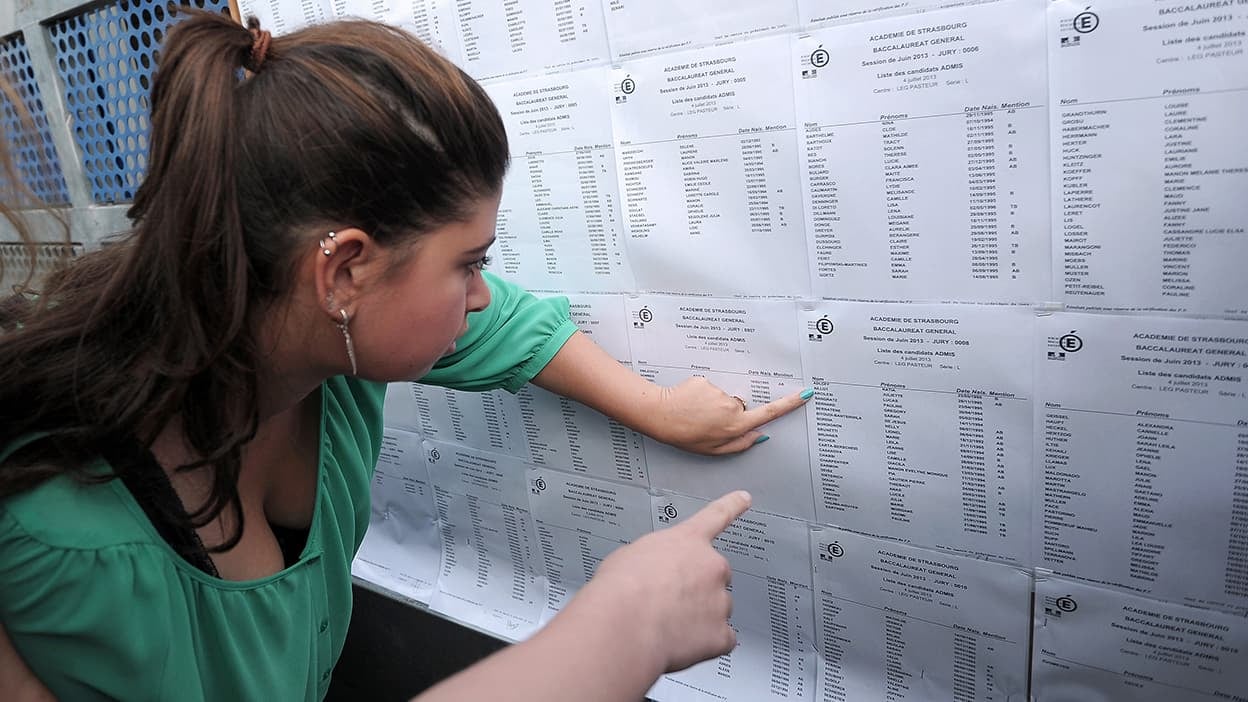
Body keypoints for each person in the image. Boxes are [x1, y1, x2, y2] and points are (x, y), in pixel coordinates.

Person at [0, 11, 811, 701]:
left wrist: (658, 409)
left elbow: (501, 326)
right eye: (469, 263)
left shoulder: (318, 348)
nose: (484, 293)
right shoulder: (65, 535)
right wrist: (618, 636)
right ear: (344, 270)